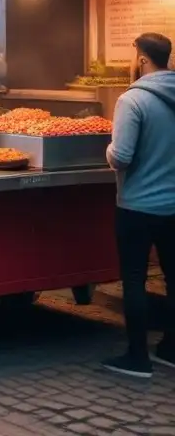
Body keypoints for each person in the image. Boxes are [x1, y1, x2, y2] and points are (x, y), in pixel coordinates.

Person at [102, 32, 175, 379]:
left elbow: (122, 157)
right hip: (173, 207)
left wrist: (108, 150)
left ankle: (137, 357)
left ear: (142, 59)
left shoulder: (133, 100)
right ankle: (171, 350)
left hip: (137, 206)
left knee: (134, 280)